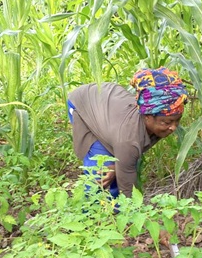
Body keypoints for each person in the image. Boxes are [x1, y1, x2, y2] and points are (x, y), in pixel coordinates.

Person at [67, 67, 188, 198]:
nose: (173, 128)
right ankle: (91, 212)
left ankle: (114, 208)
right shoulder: (128, 138)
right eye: (167, 122)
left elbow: (130, 156)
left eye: (177, 121)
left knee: (121, 163)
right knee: (101, 170)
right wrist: (132, 210)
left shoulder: (156, 120)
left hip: (108, 102)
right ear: (147, 116)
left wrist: (119, 167)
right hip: (84, 102)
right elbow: (128, 186)